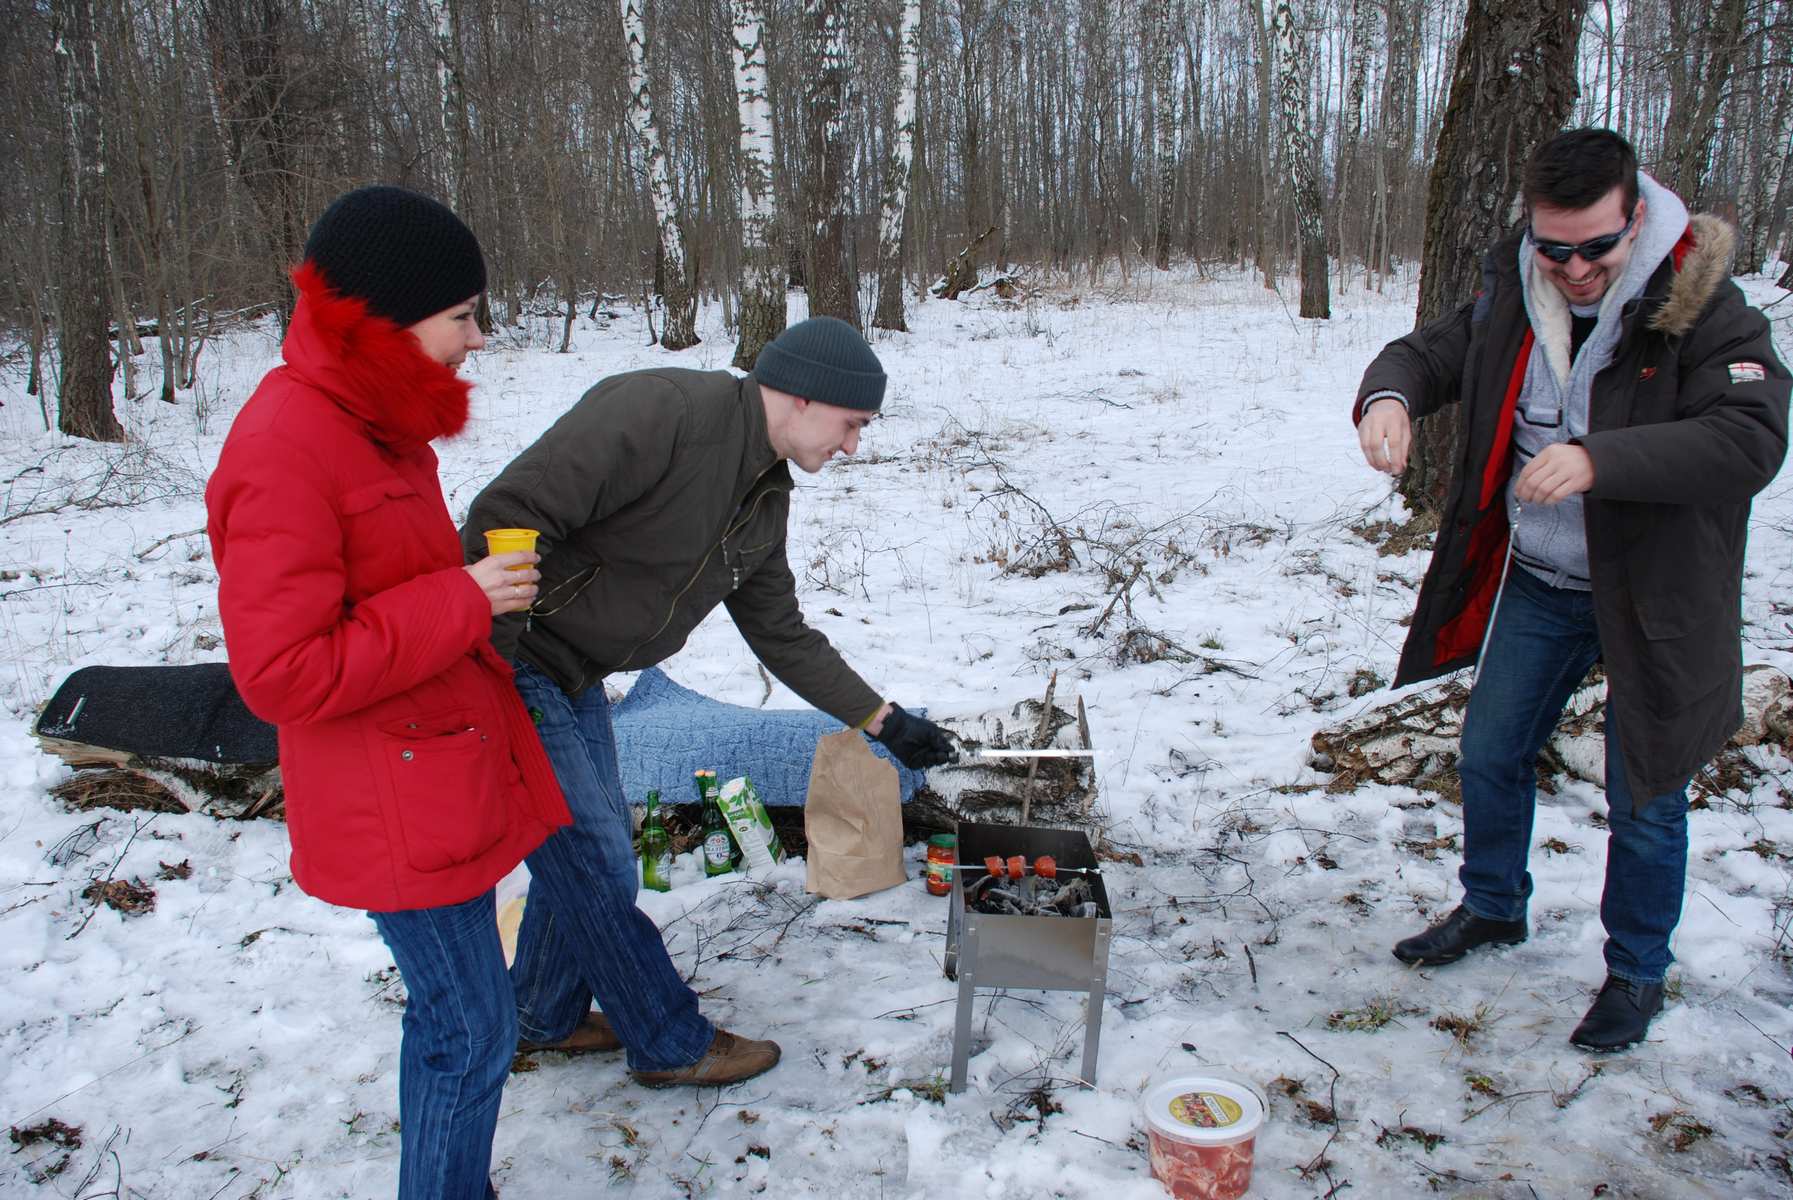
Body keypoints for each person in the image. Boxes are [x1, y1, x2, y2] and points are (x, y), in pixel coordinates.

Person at [1353, 129, 1789, 1051]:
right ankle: (1492, 906)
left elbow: (1750, 437)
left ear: (1637, 218)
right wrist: (1386, 396)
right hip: (1544, 582)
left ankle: (1635, 972)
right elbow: (1427, 353)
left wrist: (1600, 458)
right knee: (1487, 752)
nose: (1578, 268)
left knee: (1645, 795)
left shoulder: (1704, 304)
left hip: (1656, 599)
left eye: (1598, 246)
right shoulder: (1516, 286)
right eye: (1556, 249)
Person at [460, 316, 959, 1086]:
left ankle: (540, 1014)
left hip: (579, 674)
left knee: (588, 855)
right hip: (515, 660)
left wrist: (883, 721)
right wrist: (491, 669)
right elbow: (509, 516)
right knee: (595, 858)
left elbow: (779, 632)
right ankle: (669, 1042)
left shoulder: (762, 495)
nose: (855, 444)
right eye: (851, 423)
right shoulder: (660, 411)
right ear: (799, 398)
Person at [206, 186, 572, 1198]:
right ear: (385, 317)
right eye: (461, 315)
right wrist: (460, 598)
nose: (478, 338)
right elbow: (281, 672)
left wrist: (465, 599)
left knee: (463, 1017)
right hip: (388, 799)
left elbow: (380, 588)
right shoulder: (287, 445)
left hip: (432, 775)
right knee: (469, 1026)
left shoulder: (376, 421)